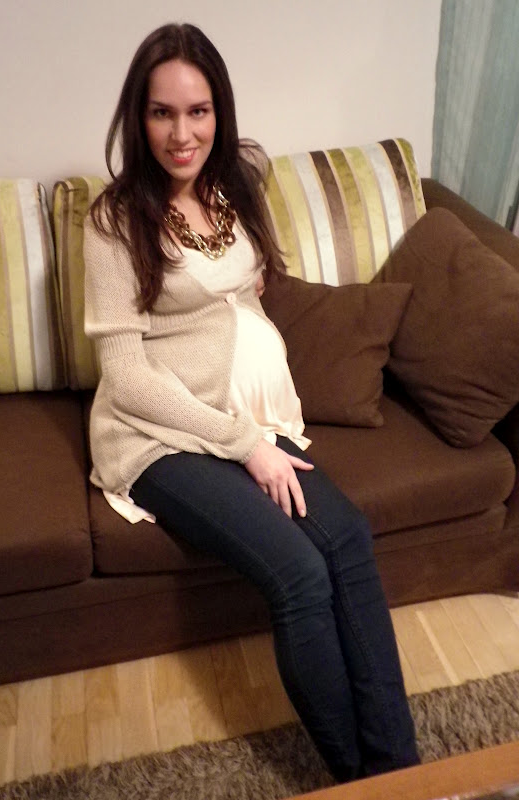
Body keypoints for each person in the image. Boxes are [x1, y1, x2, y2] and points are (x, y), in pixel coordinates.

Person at [83, 22, 420, 783]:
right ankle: (359, 782)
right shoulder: (113, 221)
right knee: (298, 573)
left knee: (348, 539)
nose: (182, 133)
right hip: (157, 437)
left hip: (250, 421)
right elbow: (127, 377)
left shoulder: (234, 186)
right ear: (138, 118)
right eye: (162, 113)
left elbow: (241, 285)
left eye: (197, 111)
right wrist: (246, 446)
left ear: (219, 112)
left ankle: (402, 774)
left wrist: (250, 310)